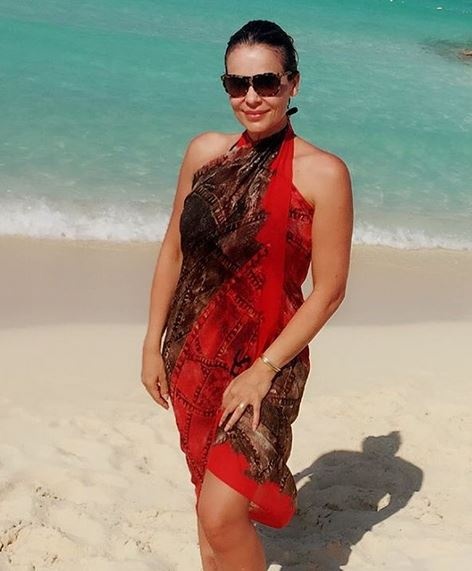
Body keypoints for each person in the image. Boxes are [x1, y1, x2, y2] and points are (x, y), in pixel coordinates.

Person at [141, 19, 353, 571]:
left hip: (270, 358)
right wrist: (151, 344)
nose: (251, 97)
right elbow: (173, 251)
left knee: (221, 513)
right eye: (237, 84)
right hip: (194, 350)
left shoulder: (325, 174)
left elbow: (329, 291)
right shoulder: (204, 153)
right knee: (207, 501)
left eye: (266, 82)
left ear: (293, 83)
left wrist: (264, 370)